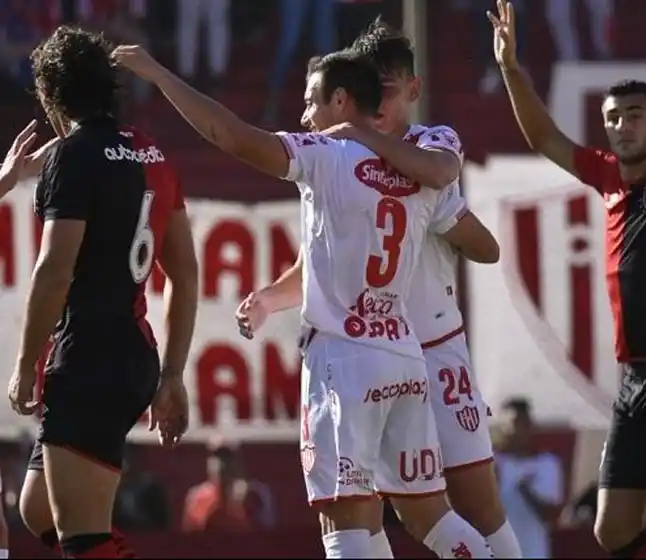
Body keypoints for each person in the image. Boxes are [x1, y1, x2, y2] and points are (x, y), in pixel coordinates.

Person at [114, 45, 494, 558]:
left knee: (343, 524)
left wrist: (158, 74)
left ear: (341, 99)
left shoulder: (324, 154)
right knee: (430, 515)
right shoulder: (421, 171)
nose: (304, 116)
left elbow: (229, 134)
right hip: (403, 356)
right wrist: (271, 298)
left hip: (344, 361)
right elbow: (468, 222)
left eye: (311, 101)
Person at [240, 18, 520, 558]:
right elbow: (317, 265)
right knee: (377, 508)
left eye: (390, 89)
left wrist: (432, 216)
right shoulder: (339, 161)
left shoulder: (427, 146)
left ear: (414, 89)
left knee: (474, 501)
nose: (381, 102)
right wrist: (270, 298)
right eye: (373, 89)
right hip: (380, 347)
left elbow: (479, 236)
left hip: (436, 349)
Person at [490, 1, 646, 557]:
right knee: (612, 530)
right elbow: (544, 138)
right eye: (613, 117)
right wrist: (510, 68)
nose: (622, 125)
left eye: (634, 114)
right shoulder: (607, 177)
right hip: (632, 377)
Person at [6, 26, 197, 559]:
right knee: (38, 509)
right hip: (132, 355)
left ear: (50, 96)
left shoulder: (74, 155)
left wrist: (24, 365)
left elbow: (54, 270)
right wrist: (172, 373)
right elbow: (184, 272)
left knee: (83, 538)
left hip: (90, 357)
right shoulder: (150, 152)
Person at [494, 398, 564, 558]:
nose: (519, 430)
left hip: (533, 553)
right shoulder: (493, 463)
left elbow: (552, 516)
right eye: (514, 423)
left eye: (524, 424)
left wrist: (527, 492)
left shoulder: (547, 464)